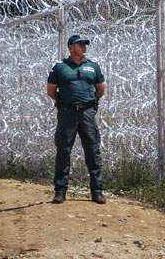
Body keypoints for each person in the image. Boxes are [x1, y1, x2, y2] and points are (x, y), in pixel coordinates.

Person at [47, 34, 106, 204]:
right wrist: (63, 103)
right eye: (80, 44)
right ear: (71, 48)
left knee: (92, 151)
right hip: (67, 113)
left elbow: (100, 89)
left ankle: (97, 191)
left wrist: (91, 102)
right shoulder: (60, 67)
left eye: (85, 44)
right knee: (63, 151)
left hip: (87, 112)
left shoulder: (93, 67)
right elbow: (51, 90)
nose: (84, 47)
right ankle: (60, 191)